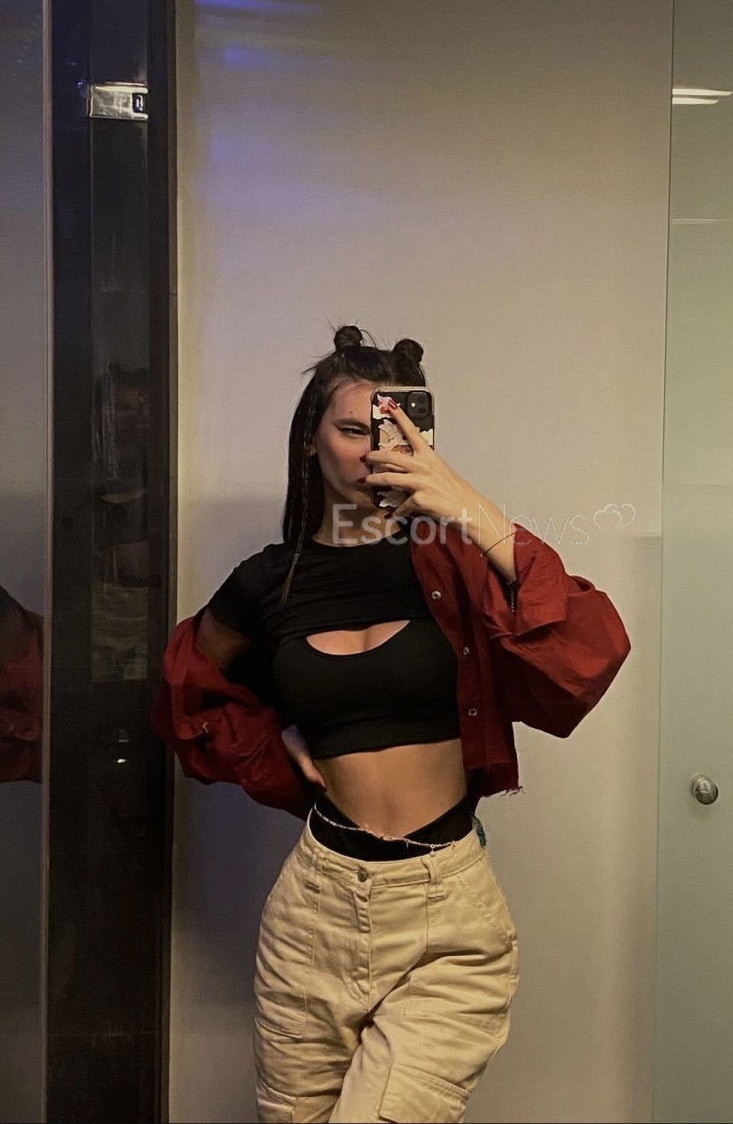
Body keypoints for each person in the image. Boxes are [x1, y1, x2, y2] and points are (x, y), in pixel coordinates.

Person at [152, 323, 631, 1123]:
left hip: (446, 913)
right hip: (313, 911)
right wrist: (277, 734)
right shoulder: (268, 582)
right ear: (310, 440)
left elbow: (589, 649)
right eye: (353, 430)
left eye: (398, 433)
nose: (375, 454)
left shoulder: (456, 562)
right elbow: (187, 688)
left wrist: (466, 506)